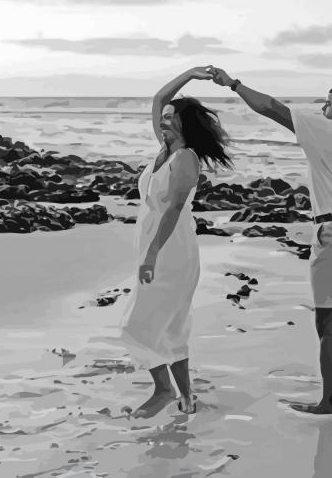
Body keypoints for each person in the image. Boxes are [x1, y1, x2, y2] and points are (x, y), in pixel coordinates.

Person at [209, 67, 332, 416]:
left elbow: (272, 108)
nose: (323, 109)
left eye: (328, 103)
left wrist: (234, 84)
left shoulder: (328, 129)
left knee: (326, 322)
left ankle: (328, 403)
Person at [120, 66, 232, 418]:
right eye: (164, 118)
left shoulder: (185, 159)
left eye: (171, 118)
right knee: (171, 324)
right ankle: (187, 398)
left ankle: (164, 389)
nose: (164, 120)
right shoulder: (164, 150)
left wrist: (152, 253)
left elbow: (173, 209)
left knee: (139, 322)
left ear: (185, 125)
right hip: (155, 243)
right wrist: (191, 74)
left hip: (171, 249)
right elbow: (158, 98)